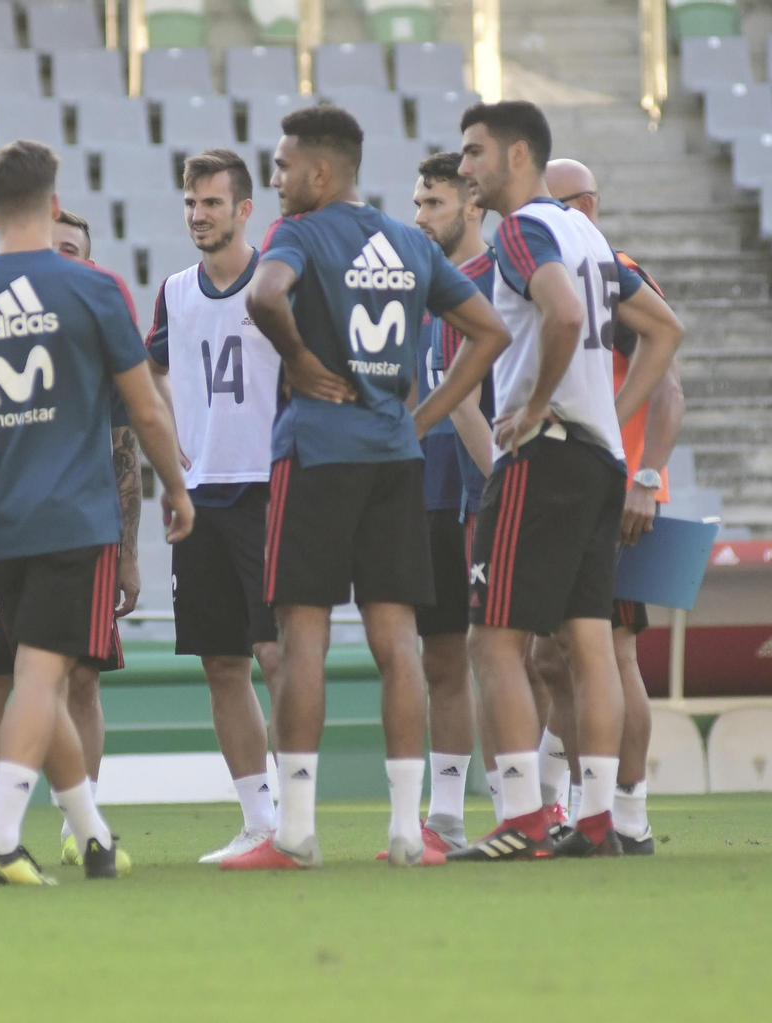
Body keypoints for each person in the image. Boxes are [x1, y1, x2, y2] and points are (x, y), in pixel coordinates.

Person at [234, 105, 509, 870]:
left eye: (284, 165)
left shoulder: (299, 233)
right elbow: (490, 331)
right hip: (395, 460)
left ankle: (296, 832)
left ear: (321, 172)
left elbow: (263, 296)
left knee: (303, 640)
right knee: (399, 645)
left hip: (317, 455)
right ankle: (405, 831)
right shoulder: (408, 242)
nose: (276, 178)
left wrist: (298, 360)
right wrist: (420, 418)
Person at [0, 139, 194, 885]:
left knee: (40, 675)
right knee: (42, 680)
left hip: (4, 528)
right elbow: (145, 407)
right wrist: (177, 488)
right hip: (77, 521)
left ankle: (94, 836)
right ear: (52, 205)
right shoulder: (95, 289)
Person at [449, 101, 682, 861]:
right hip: (599, 460)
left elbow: (560, 313)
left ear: (518, 155)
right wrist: (610, 415)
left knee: (494, 640)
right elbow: (666, 329)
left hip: (543, 456)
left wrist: (538, 401)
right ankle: (599, 818)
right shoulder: (588, 235)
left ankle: (522, 817)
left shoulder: (522, 230)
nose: (464, 167)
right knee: (591, 644)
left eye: (474, 151)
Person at [0, 206, 138, 872]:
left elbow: (125, 442)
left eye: (72, 250)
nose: (59, 259)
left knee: (57, 681)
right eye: (54, 246)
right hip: (19, 533)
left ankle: (78, 832)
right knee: (19, 681)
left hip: (68, 532)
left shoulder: (73, 321)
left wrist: (129, 549)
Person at [540, 157, 683, 854]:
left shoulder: (613, 273)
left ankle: (627, 814)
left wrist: (646, 477)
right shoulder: (564, 274)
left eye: (552, 205)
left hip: (617, 493)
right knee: (550, 655)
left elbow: (670, 388)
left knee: (612, 651)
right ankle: (581, 801)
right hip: (574, 489)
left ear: (585, 207)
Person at [146, 148, 283, 863]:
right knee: (221, 661)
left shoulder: (277, 280)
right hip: (200, 498)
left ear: (244, 209)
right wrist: (175, 452)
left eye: (212, 203)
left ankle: (299, 810)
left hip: (269, 489)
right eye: (191, 203)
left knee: (278, 653)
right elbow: (151, 370)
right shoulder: (175, 291)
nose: (198, 215)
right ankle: (259, 820)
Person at [402, 150, 498, 853]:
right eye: (417, 202)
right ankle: (447, 817)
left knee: (515, 655)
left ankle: (549, 803)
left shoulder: (502, 279)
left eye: (432, 203)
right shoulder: (416, 290)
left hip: (486, 493)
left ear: (473, 204)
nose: (420, 216)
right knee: (441, 659)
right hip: (426, 492)